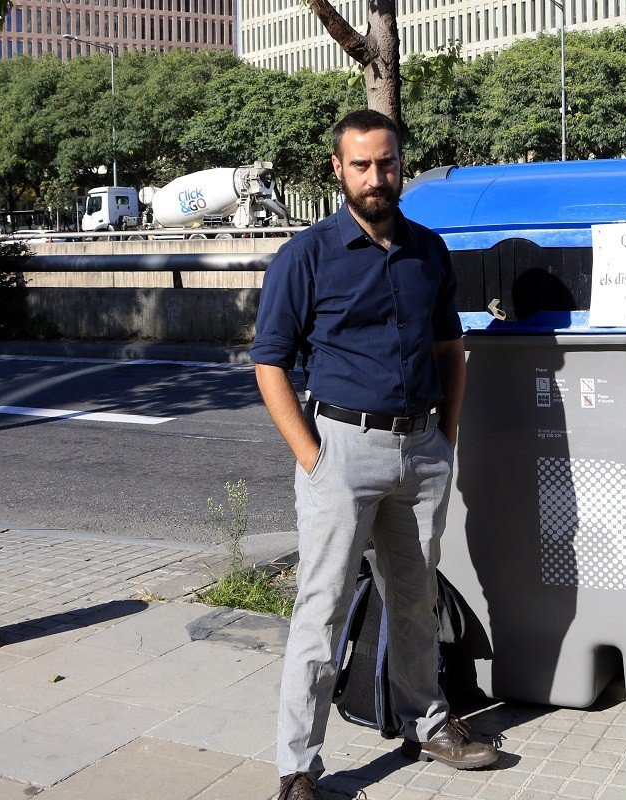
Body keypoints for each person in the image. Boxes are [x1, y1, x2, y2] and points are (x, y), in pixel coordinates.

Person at [252, 109, 499, 800]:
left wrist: (445, 440)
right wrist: (313, 457)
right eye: (360, 165)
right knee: (322, 606)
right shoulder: (306, 256)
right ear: (337, 170)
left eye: (386, 163)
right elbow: (270, 363)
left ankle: (428, 722)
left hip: (420, 449)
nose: (375, 177)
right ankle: (297, 766)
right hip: (341, 449)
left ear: (400, 164)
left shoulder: (428, 250)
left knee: (415, 598)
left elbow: (451, 349)